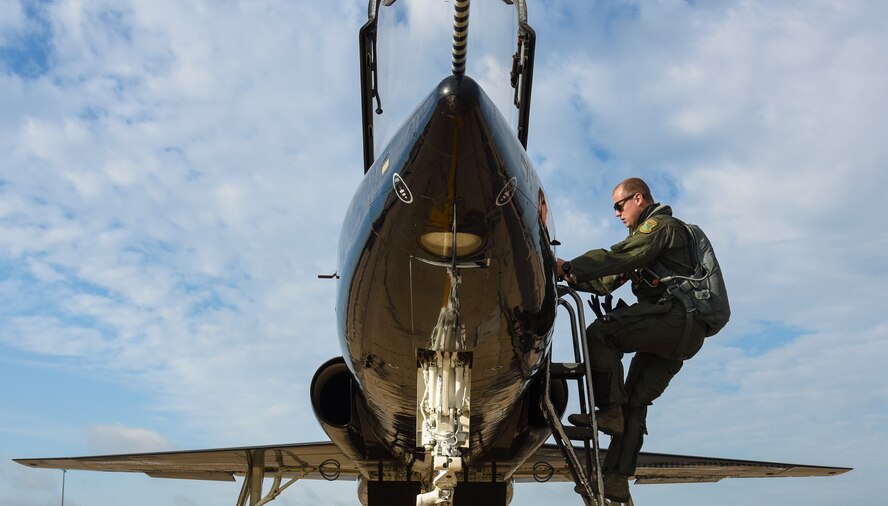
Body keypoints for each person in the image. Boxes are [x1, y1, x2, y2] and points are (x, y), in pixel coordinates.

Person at [556, 177, 707, 503]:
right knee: (634, 403)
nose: (616, 213)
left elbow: (617, 259)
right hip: (684, 335)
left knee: (601, 333)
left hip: (675, 318)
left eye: (619, 205)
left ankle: (608, 410)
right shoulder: (648, 246)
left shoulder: (659, 227)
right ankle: (616, 480)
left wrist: (567, 266)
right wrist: (569, 277)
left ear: (638, 199)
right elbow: (609, 280)